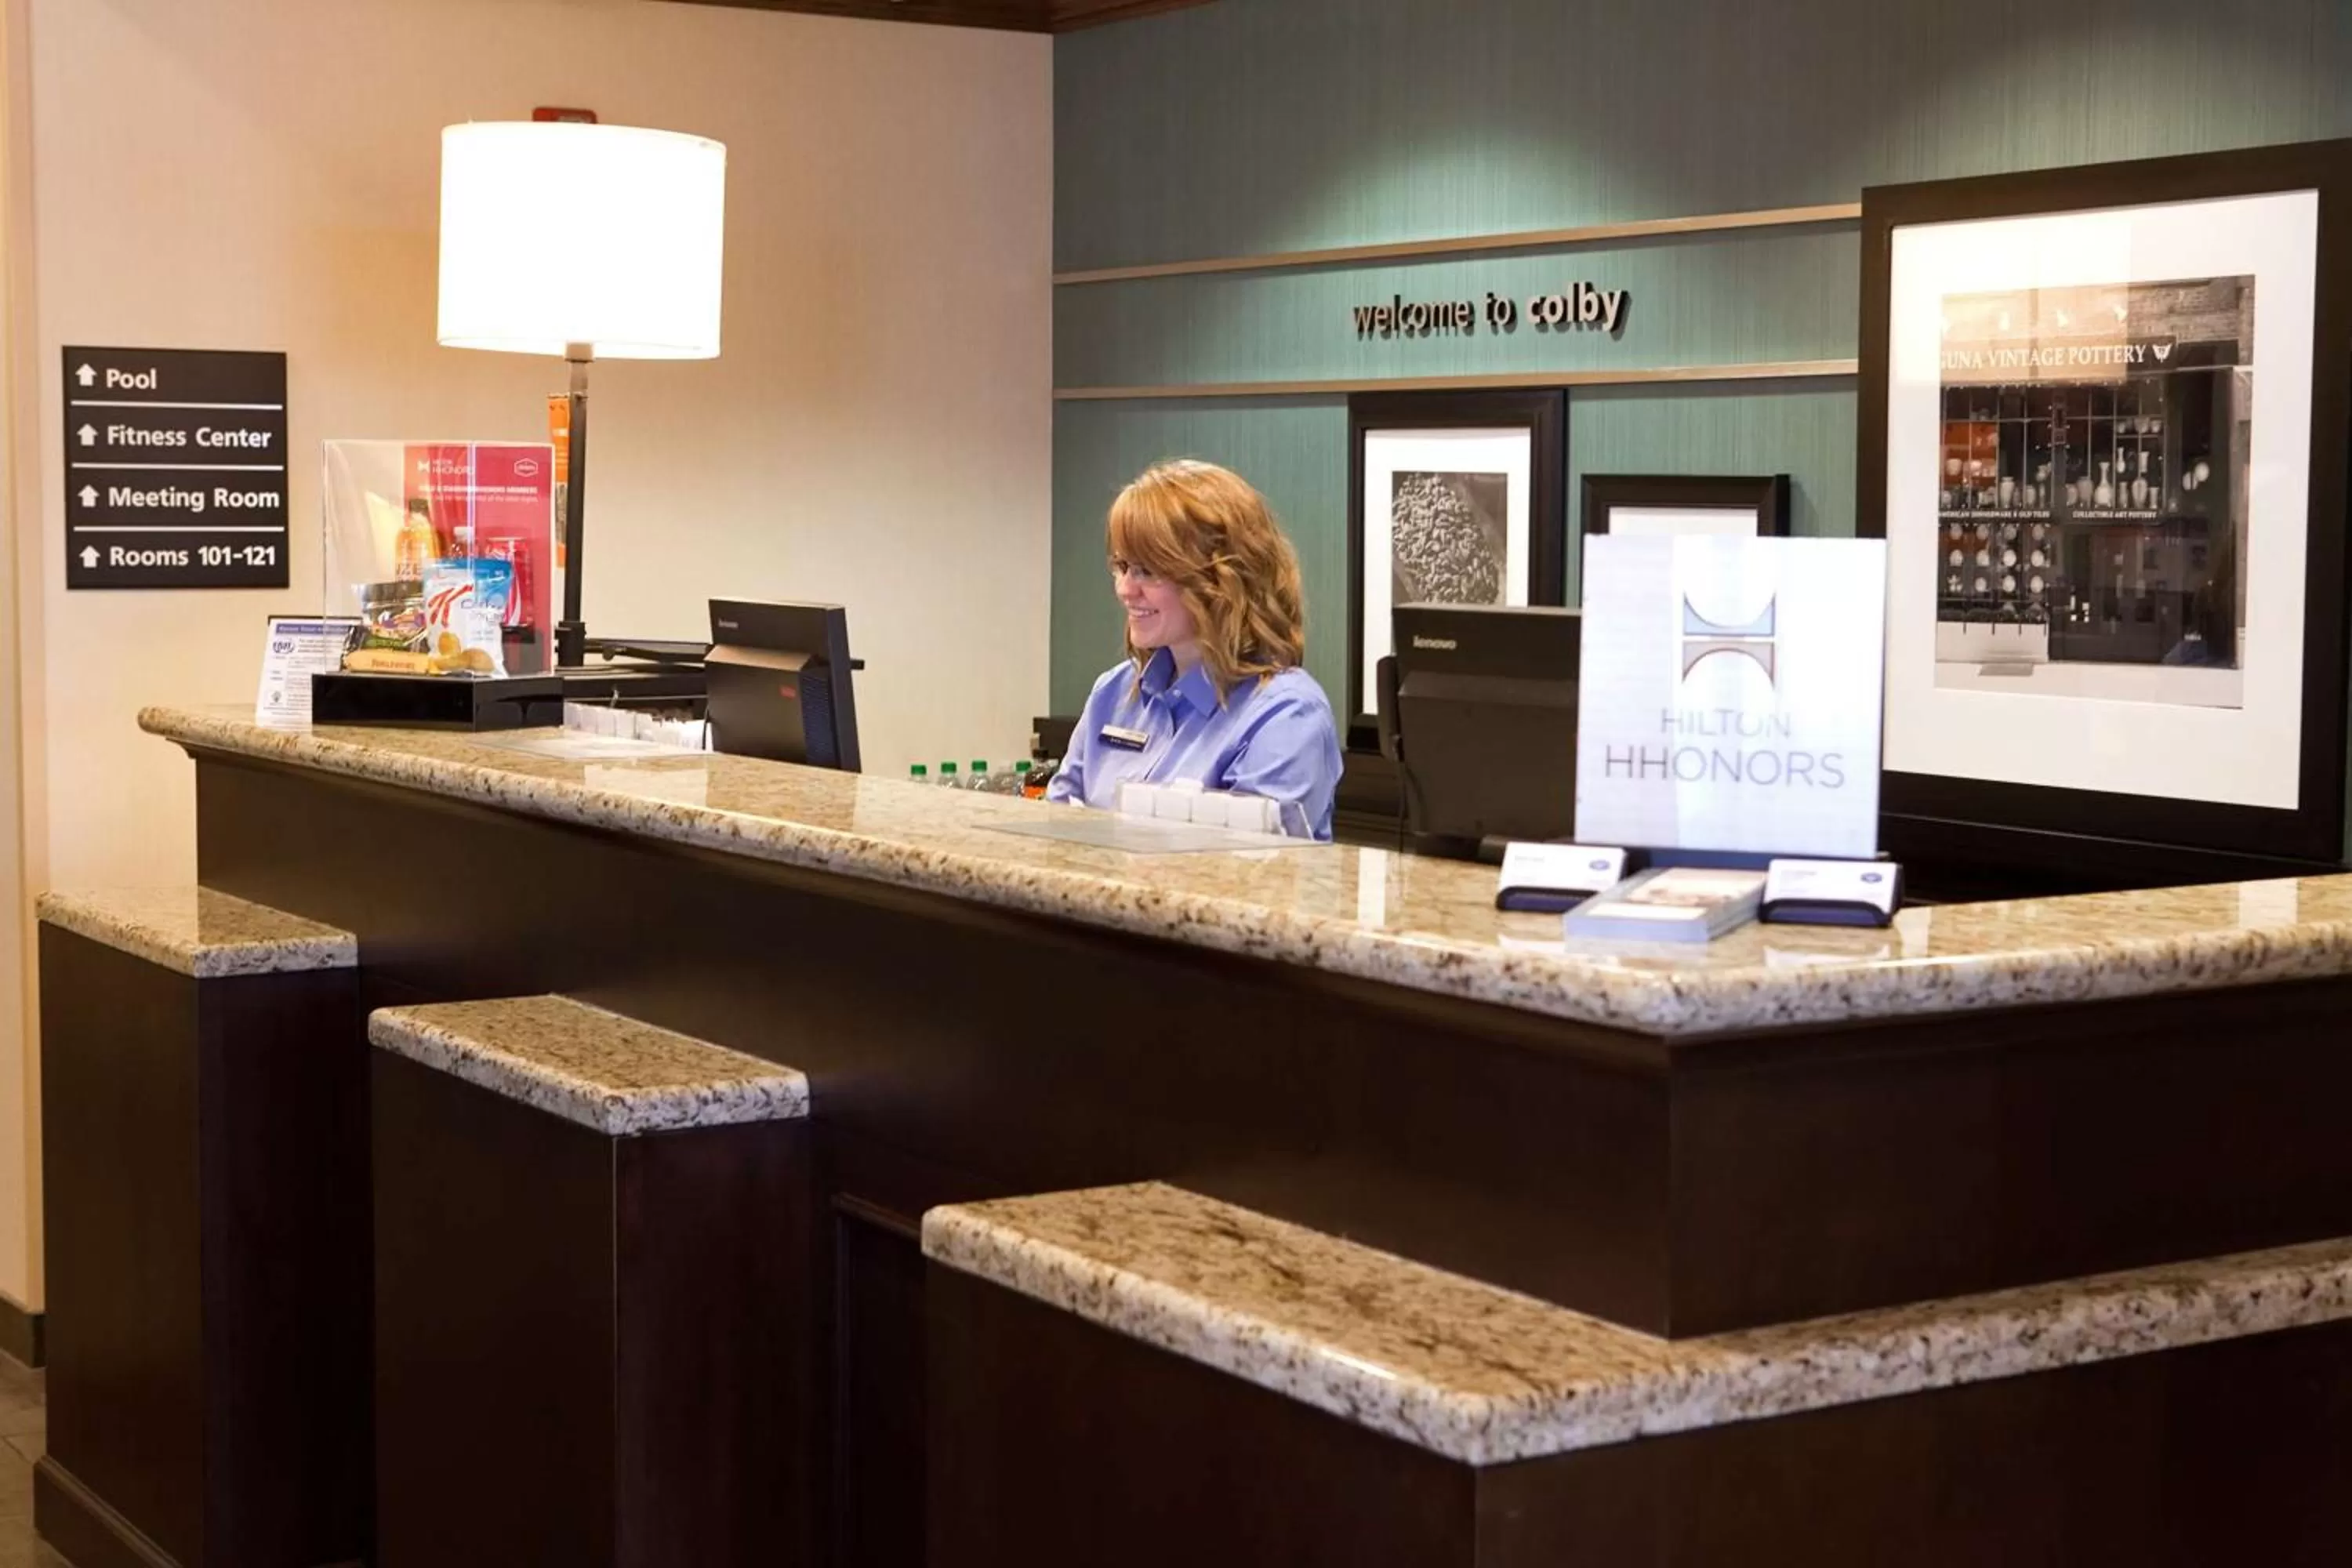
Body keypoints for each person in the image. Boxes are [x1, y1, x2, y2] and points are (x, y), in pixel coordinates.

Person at [1047, 459, 1342, 840]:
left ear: (1220, 581)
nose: (1124, 589)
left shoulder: (1285, 717)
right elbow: (1056, 836)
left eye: (1146, 571)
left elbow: (1250, 878)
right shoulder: (1114, 693)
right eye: (1121, 566)